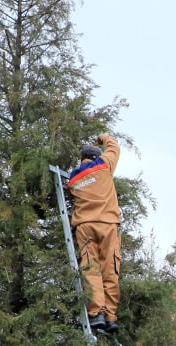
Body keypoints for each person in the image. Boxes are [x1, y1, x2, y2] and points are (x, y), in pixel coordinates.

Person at [67, 133, 121, 334]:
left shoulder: (74, 177)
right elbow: (114, 147)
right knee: (110, 269)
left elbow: (71, 189)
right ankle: (110, 317)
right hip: (107, 224)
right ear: (97, 156)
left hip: (85, 226)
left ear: (82, 159)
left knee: (91, 269)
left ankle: (96, 313)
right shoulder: (104, 165)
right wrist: (103, 137)